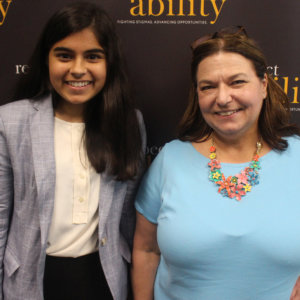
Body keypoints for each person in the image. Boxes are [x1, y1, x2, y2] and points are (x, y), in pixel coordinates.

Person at [132, 26, 300, 300]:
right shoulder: (169, 161)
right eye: (208, 86)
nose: (222, 98)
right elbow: (146, 249)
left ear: (264, 86)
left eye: (237, 82)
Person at [0, 2, 145, 300]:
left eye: (92, 56)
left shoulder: (130, 121)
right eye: (64, 55)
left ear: (109, 63)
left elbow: (129, 215)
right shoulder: (9, 122)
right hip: (32, 279)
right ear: (47, 59)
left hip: (103, 277)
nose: (78, 69)